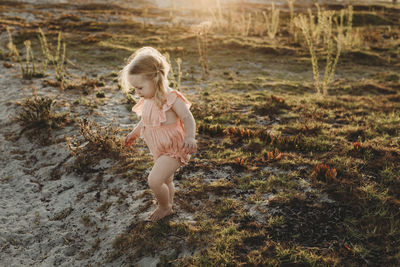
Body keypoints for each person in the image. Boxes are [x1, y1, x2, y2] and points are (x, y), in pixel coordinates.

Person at [119, 47, 197, 222]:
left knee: (154, 180)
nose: (137, 92)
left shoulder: (172, 98)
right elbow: (146, 120)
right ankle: (169, 205)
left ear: (156, 80)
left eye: (140, 87)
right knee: (166, 180)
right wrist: (135, 132)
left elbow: (187, 117)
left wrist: (190, 137)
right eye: (135, 88)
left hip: (174, 147)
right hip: (158, 148)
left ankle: (164, 207)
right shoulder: (147, 99)